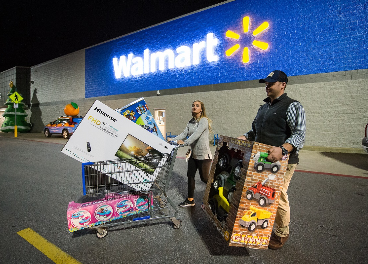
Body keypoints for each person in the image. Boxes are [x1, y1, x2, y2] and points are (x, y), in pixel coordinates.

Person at [238, 70, 306, 250]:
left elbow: (299, 135)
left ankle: (282, 233)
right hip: (263, 159)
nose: (267, 85)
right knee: (262, 194)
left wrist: (283, 149)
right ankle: (261, 227)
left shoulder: (293, 106)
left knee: (279, 196)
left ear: (282, 85)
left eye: (271, 83)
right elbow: (255, 131)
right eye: (266, 83)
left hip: (284, 161)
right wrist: (245, 137)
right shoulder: (264, 107)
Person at [169, 100, 213, 207]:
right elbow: (184, 133)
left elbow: (196, 135)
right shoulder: (191, 122)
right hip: (193, 155)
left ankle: (213, 195)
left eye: (197, 106)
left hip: (204, 156)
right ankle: (190, 200)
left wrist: (185, 143)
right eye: (193, 105)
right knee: (190, 176)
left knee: (204, 178)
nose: (194, 107)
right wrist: (173, 140)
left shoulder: (204, 121)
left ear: (201, 109)